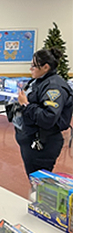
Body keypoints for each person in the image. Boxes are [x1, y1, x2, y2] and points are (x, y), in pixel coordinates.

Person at [15, 48, 73, 188]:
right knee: (35, 182)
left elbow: (48, 117)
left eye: (34, 66)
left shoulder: (54, 86)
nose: (30, 69)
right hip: (31, 140)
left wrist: (26, 105)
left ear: (45, 67)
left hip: (43, 144)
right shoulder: (39, 81)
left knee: (40, 186)